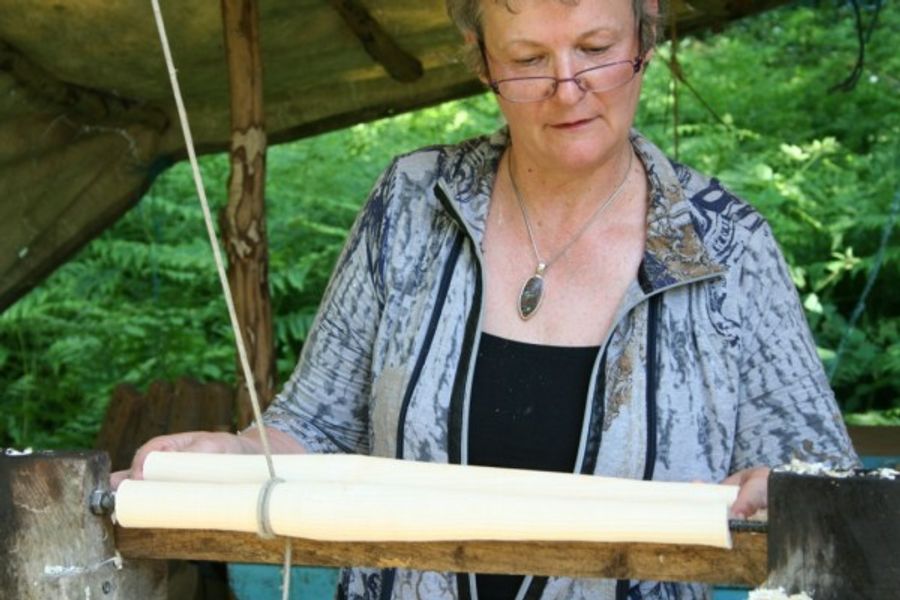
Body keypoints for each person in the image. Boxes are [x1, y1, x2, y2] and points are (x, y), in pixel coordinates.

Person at [113, 0, 858, 598]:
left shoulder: (726, 246)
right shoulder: (411, 205)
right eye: (530, 59)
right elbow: (315, 425)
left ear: (648, 33)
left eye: (597, 47)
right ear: (483, 64)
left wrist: (783, 488)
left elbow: (830, 488)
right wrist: (236, 455)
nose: (569, 87)